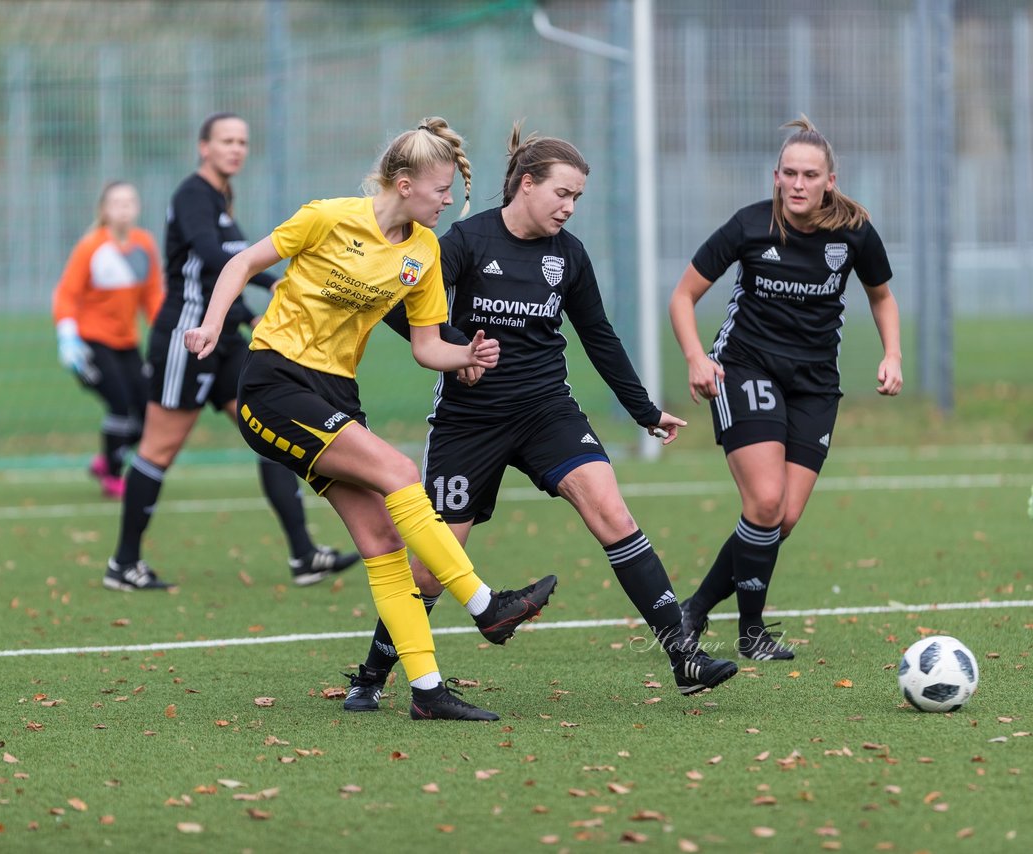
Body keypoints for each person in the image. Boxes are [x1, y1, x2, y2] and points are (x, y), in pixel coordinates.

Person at [342, 124, 739, 713]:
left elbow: (598, 336)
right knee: (430, 567)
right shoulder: (465, 242)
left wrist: (644, 410)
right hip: (468, 421)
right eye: (563, 194)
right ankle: (373, 675)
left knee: (611, 509)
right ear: (526, 185)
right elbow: (407, 312)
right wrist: (459, 355)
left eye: (578, 198)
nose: (570, 208)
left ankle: (683, 655)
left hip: (546, 409)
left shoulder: (568, 256)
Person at [184, 117, 558, 721]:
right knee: (399, 469)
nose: (448, 202)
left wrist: (464, 354)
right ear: (405, 184)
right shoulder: (328, 217)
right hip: (275, 381)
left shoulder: (424, 251)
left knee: (383, 542)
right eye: (441, 191)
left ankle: (429, 691)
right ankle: (485, 603)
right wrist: (209, 323)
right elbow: (240, 265)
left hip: (336, 394)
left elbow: (425, 346)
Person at [668, 115, 902, 660]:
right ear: (776, 176)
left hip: (816, 384)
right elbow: (683, 297)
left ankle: (694, 610)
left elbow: (882, 296)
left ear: (830, 180)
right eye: (790, 174)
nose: (799, 184)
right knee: (766, 499)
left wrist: (892, 354)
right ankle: (752, 634)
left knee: (782, 518)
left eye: (810, 175)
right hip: (745, 368)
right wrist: (695, 358)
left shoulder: (854, 232)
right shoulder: (749, 226)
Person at [104, 112, 359, 592]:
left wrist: (244, 315)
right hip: (189, 337)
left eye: (242, 140)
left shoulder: (221, 200)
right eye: (226, 140)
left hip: (223, 338)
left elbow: (217, 271)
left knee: (270, 432)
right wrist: (269, 279)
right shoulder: (192, 195)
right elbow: (215, 256)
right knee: (158, 449)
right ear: (204, 147)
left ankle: (304, 555)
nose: (236, 148)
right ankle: (123, 564)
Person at [52, 180, 163, 499]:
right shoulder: (91, 247)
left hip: (126, 344)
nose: (124, 209)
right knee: (119, 403)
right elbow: (66, 294)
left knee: (146, 414)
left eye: (129, 202)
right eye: (116, 203)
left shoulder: (144, 244)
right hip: (92, 343)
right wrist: (67, 337)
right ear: (104, 210)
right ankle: (113, 477)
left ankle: (105, 460)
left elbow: (153, 295)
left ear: (137, 207)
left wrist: (165, 331)